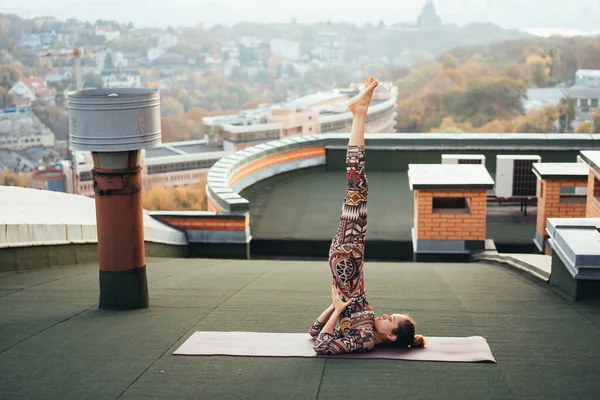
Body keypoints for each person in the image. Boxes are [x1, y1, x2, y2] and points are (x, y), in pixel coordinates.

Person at [309, 76, 426, 355]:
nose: (386, 316)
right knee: (357, 186)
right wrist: (337, 305)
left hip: (348, 257)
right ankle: (358, 113)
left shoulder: (365, 339)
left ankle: (359, 112)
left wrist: (338, 311)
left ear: (392, 337)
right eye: (392, 315)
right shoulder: (368, 318)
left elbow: (320, 344)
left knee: (358, 185)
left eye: (391, 321)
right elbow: (314, 331)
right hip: (350, 257)